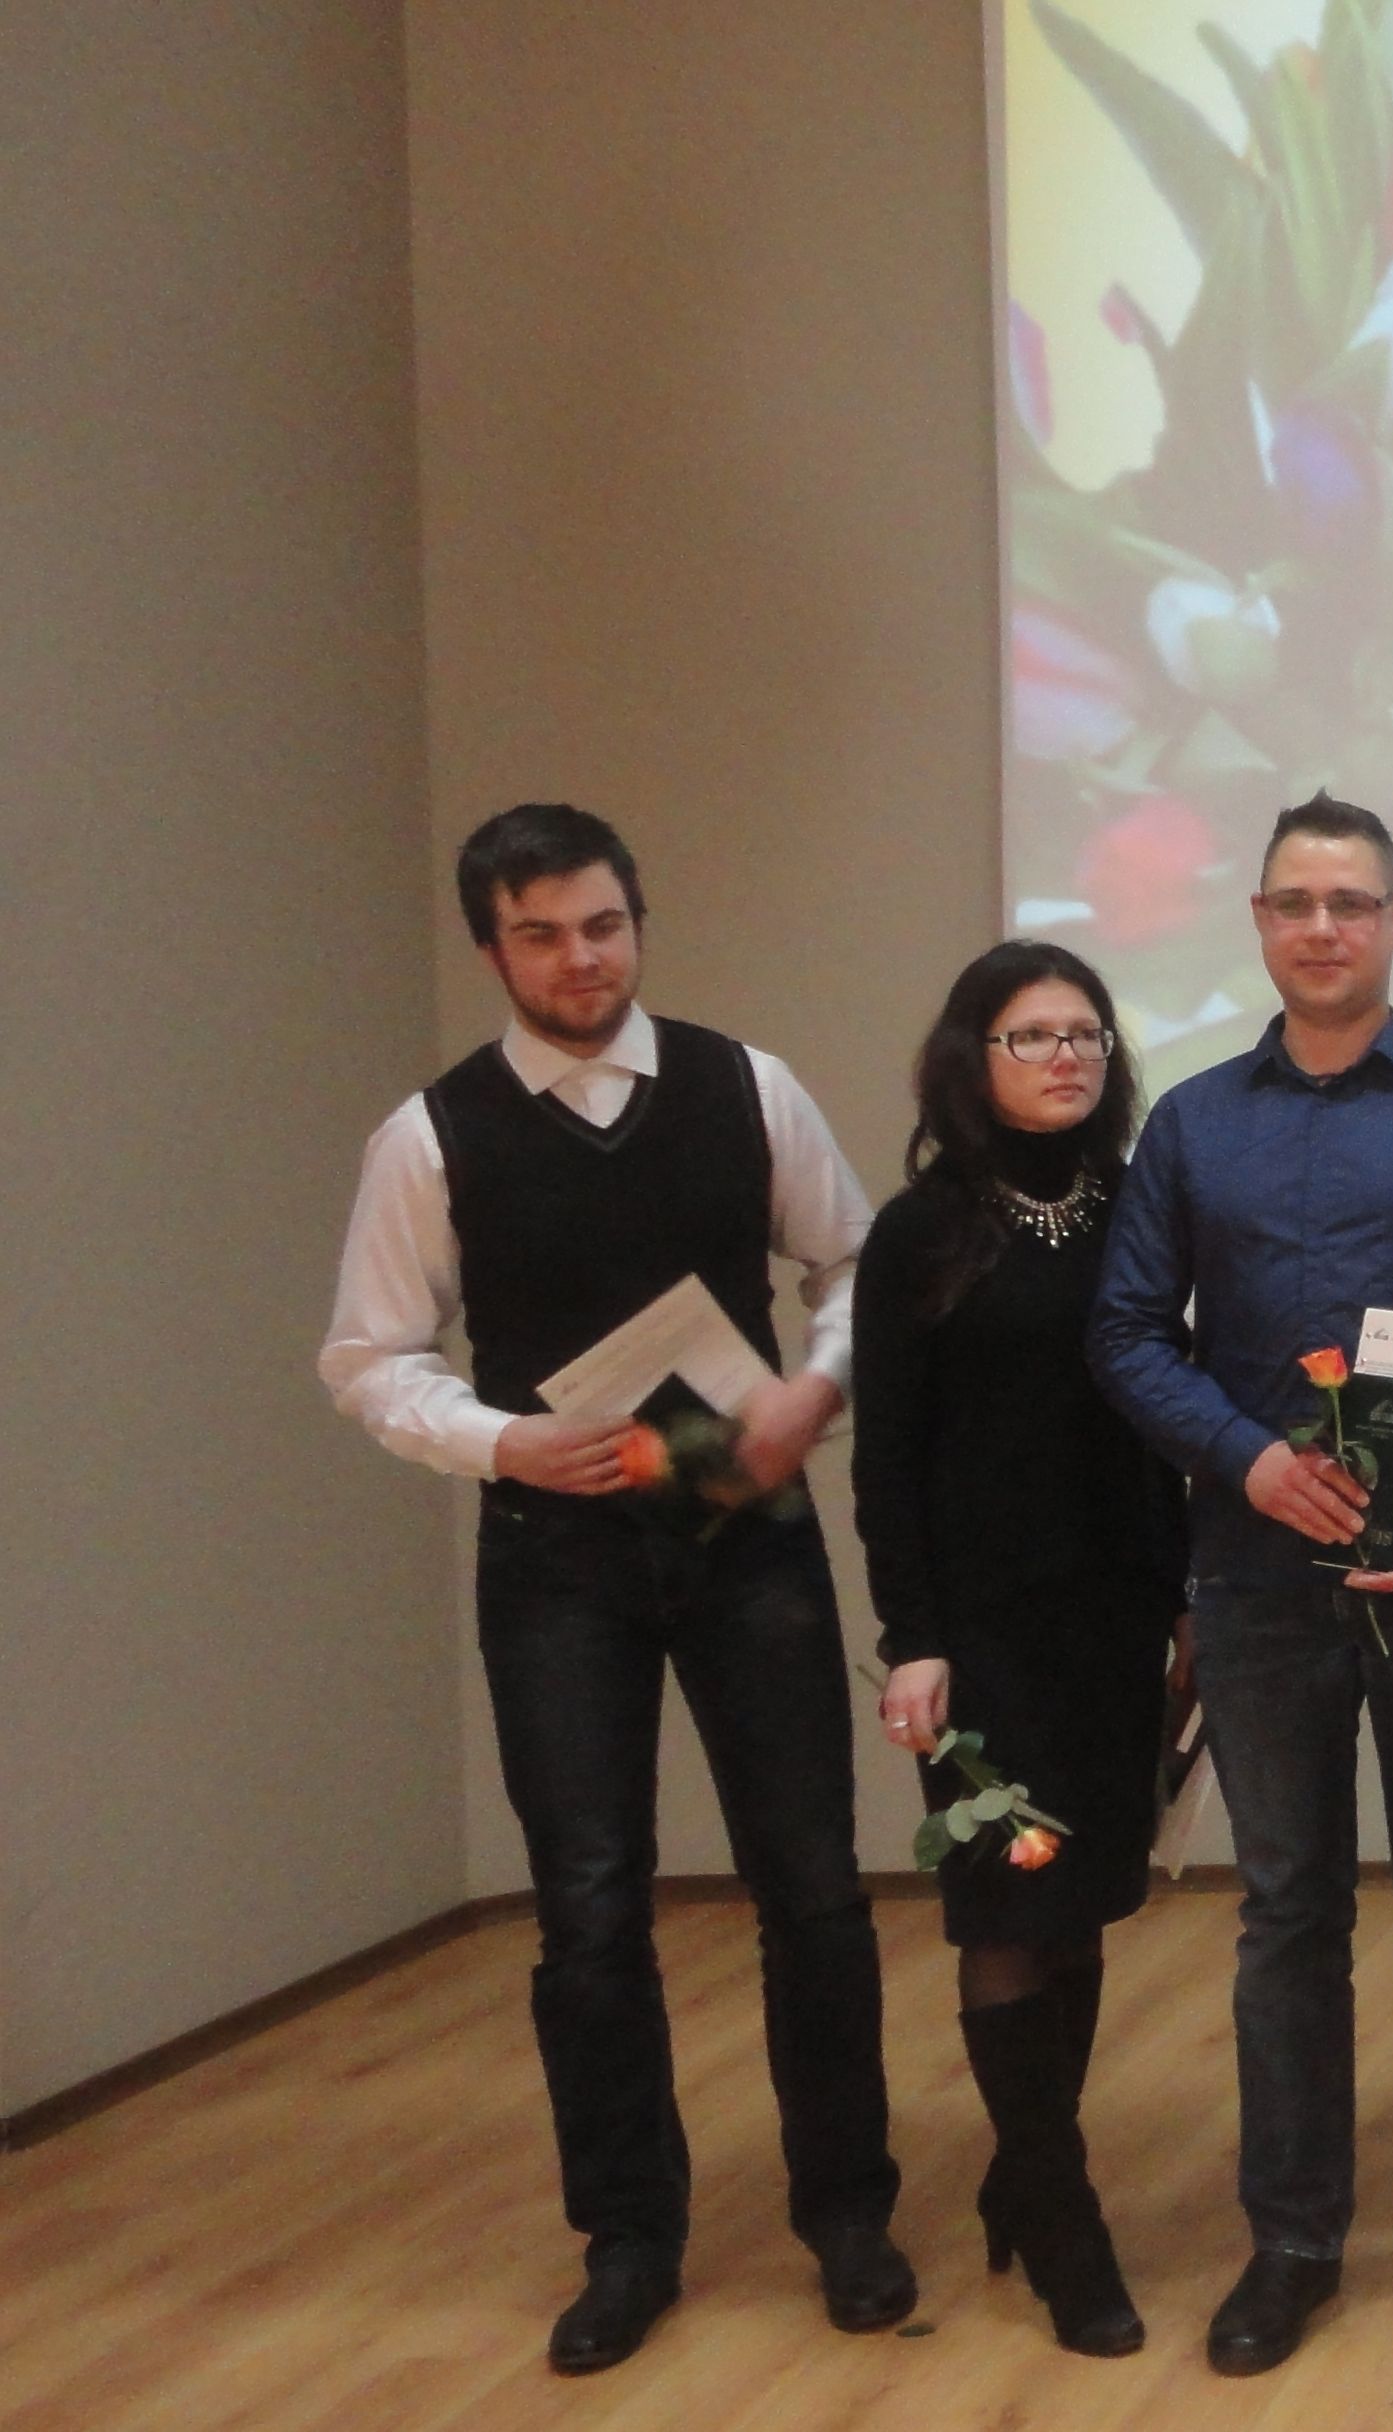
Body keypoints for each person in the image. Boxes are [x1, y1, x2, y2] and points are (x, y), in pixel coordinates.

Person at [316, 804, 912, 2375]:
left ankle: (847, 2211)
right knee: (587, 1909)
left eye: (602, 926)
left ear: (637, 922)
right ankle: (630, 2237)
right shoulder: (429, 1137)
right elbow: (368, 1358)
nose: (579, 959)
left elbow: (858, 1265)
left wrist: (819, 1387)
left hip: (744, 1532)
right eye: (540, 935)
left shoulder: (748, 1086)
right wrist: (501, 1441)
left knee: (813, 1884)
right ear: (491, 949)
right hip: (555, 1560)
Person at [1084, 795, 1393, 2375]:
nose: (1322, 928)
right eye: (1295, 903)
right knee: (1287, 1916)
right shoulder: (1189, 1125)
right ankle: (1292, 2244)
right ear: (1258, 921)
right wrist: (1246, 1460)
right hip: (1254, 1573)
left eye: (1350, 903)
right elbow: (1125, 1334)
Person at [855, 942, 1184, 2358]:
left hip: (1116, 1617)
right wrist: (912, 1639)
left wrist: (1187, 1597)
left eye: (1085, 1036)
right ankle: (1065, 2227)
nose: (1064, 1057)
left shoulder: (1141, 1210)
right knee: (1005, 1913)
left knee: (1081, 1903)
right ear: (970, 1059)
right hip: (981, 1638)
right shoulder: (921, 1232)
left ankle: (1024, 2173)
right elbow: (887, 1456)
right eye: (1032, 1035)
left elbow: (1168, 1413)